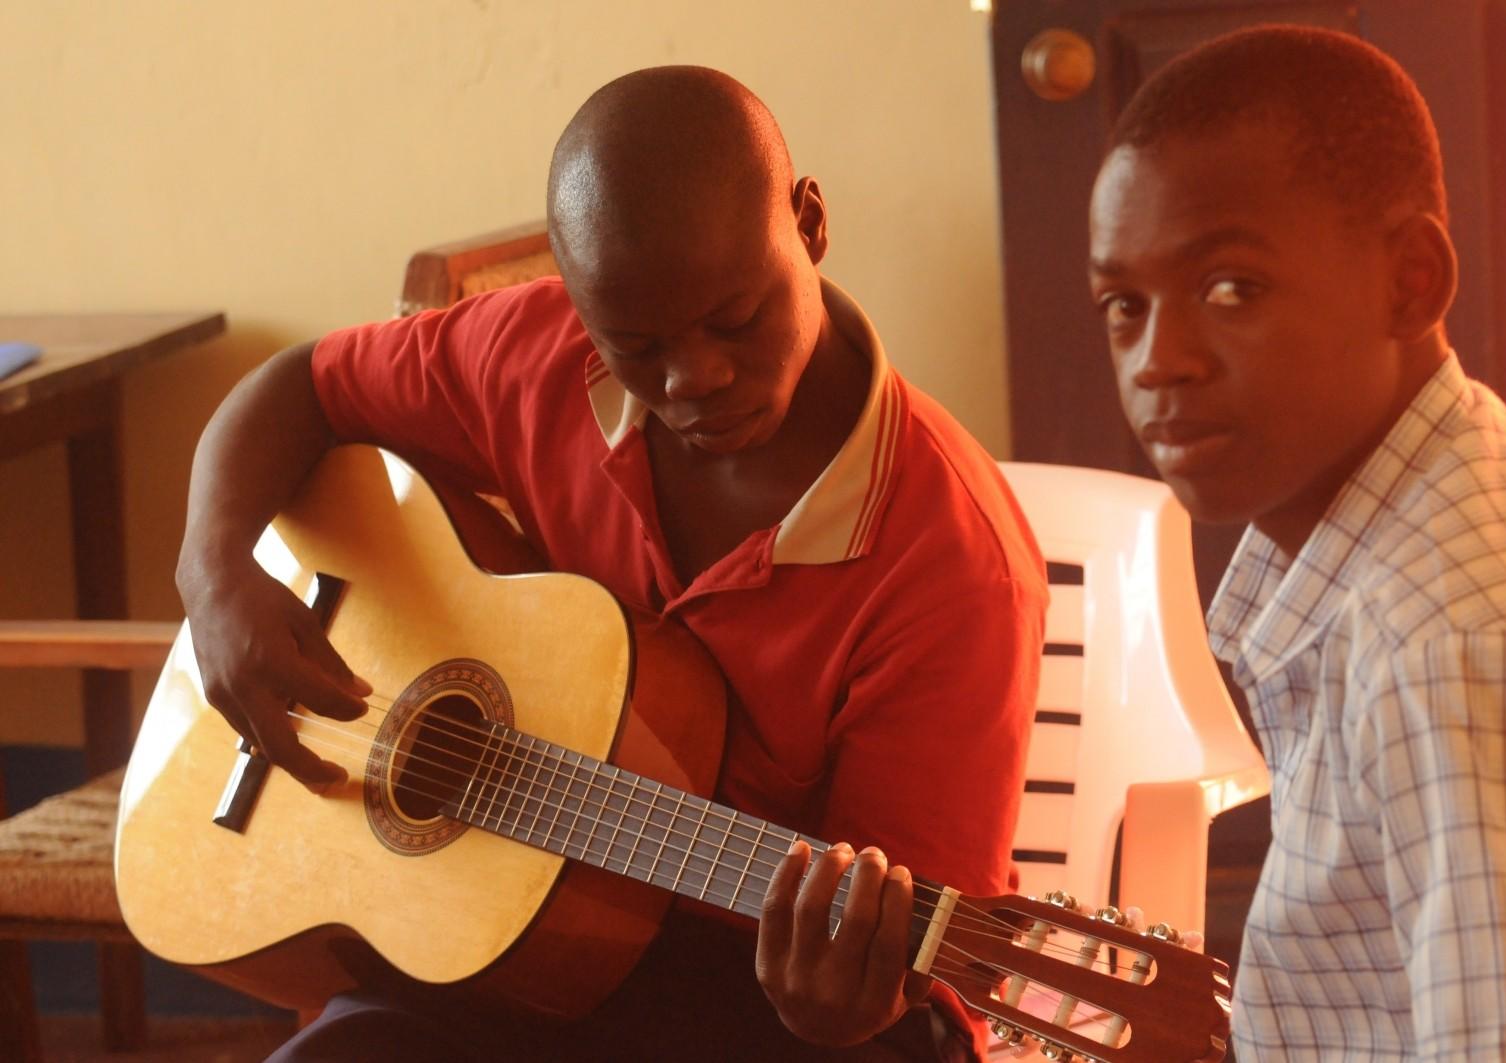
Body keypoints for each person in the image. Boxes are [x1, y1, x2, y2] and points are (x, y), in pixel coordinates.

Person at [174, 65, 1046, 1061]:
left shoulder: (955, 561)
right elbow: (301, 386)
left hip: (762, 978)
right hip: (510, 912)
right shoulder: (537, 354)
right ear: (580, 308)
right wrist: (214, 578)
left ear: (808, 225)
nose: (694, 378)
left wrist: (840, 1007)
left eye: (736, 318)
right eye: (636, 343)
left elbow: (894, 950)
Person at [1087, 24, 1506, 1059]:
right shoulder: (1409, 530)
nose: (1158, 360)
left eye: (1230, 288)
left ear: (1409, 281)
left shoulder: (1449, 641)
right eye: (1123, 306)